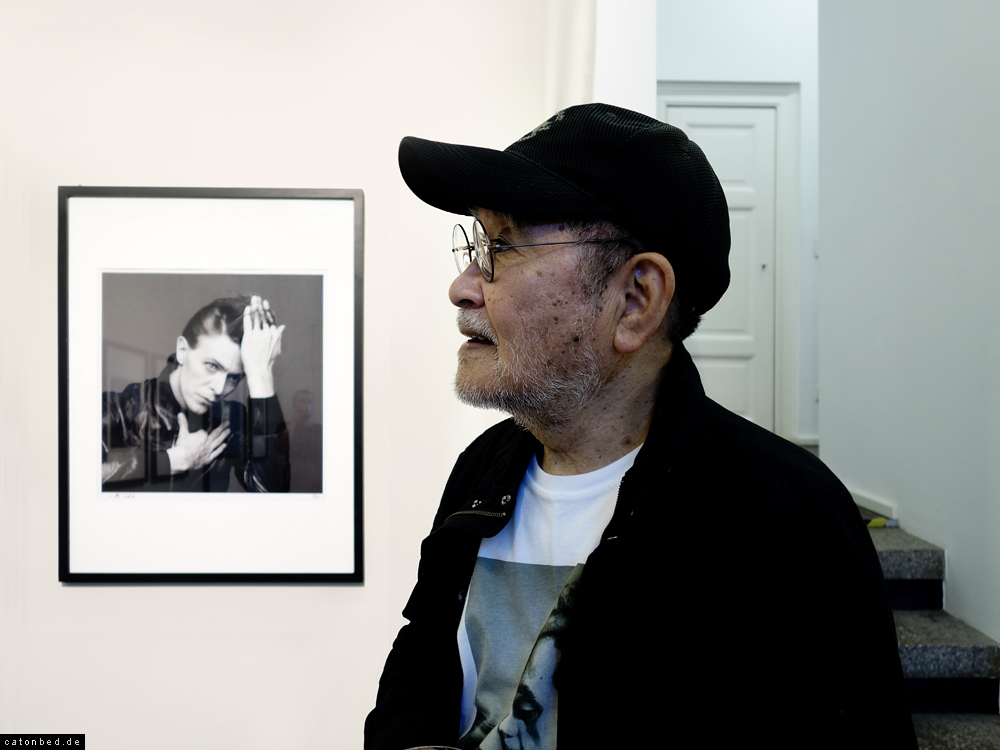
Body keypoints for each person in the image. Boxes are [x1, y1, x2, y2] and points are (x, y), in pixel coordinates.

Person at [366, 104, 917, 749]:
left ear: (635, 300)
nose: (462, 287)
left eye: (504, 247)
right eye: (478, 244)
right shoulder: (483, 470)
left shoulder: (787, 517)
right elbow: (425, 647)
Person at [102, 294, 290, 492]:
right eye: (212, 366)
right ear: (182, 350)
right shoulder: (117, 409)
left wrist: (260, 376)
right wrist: (173, 461)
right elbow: (84, 479)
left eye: (234, 378)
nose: (219, 389)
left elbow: (273, 493)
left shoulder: (232, 420)